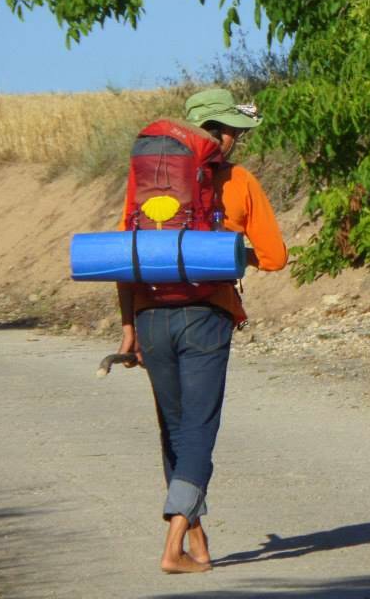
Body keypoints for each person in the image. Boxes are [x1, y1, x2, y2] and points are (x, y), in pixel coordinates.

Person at [115, 87, 288, 573]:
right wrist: (229, 253)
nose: (236, 140)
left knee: (174, 429)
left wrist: (128, 328)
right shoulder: (238, 181)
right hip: (207, 317)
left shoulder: (148, 182)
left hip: (149, 316)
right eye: (234, 132)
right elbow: (275, 256)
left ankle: (198, 542)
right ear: (220, 135)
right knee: (198, 429)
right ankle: (173, 545)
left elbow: (128, 255)